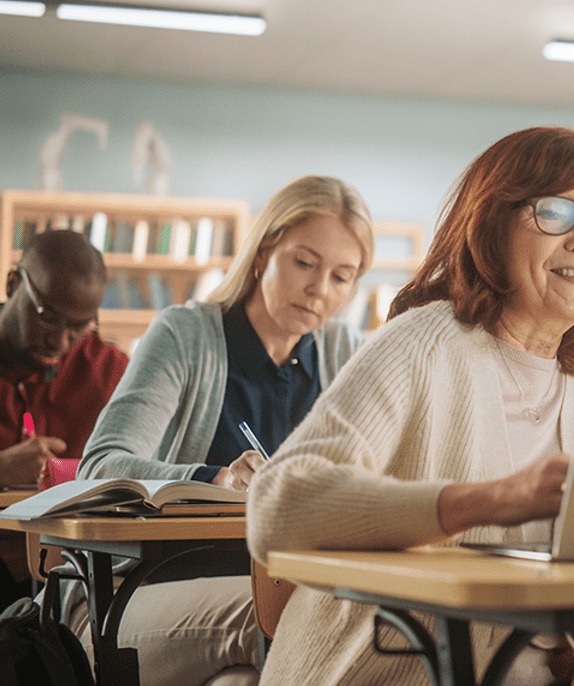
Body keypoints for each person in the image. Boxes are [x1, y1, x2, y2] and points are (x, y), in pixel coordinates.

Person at [248, 127, 574, 686]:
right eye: (556, 212)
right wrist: (489, 501)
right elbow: (275, 506)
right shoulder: (421, 343)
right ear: (491, 226)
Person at [74, 174, 374, 686]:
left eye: (342, 277)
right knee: (293, 623)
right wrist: (213, 479)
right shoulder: (184, 335)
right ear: (262, 254)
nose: (319, 290)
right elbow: (99, 467)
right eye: (304, 262)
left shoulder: (345, 353)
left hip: (273, 593)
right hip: (134, 595)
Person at [0, 229, 128, 602]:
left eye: (79, 327)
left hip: (77, 575)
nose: (59, 342)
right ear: (13, 285)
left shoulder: (108, 370)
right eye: (49, 318)